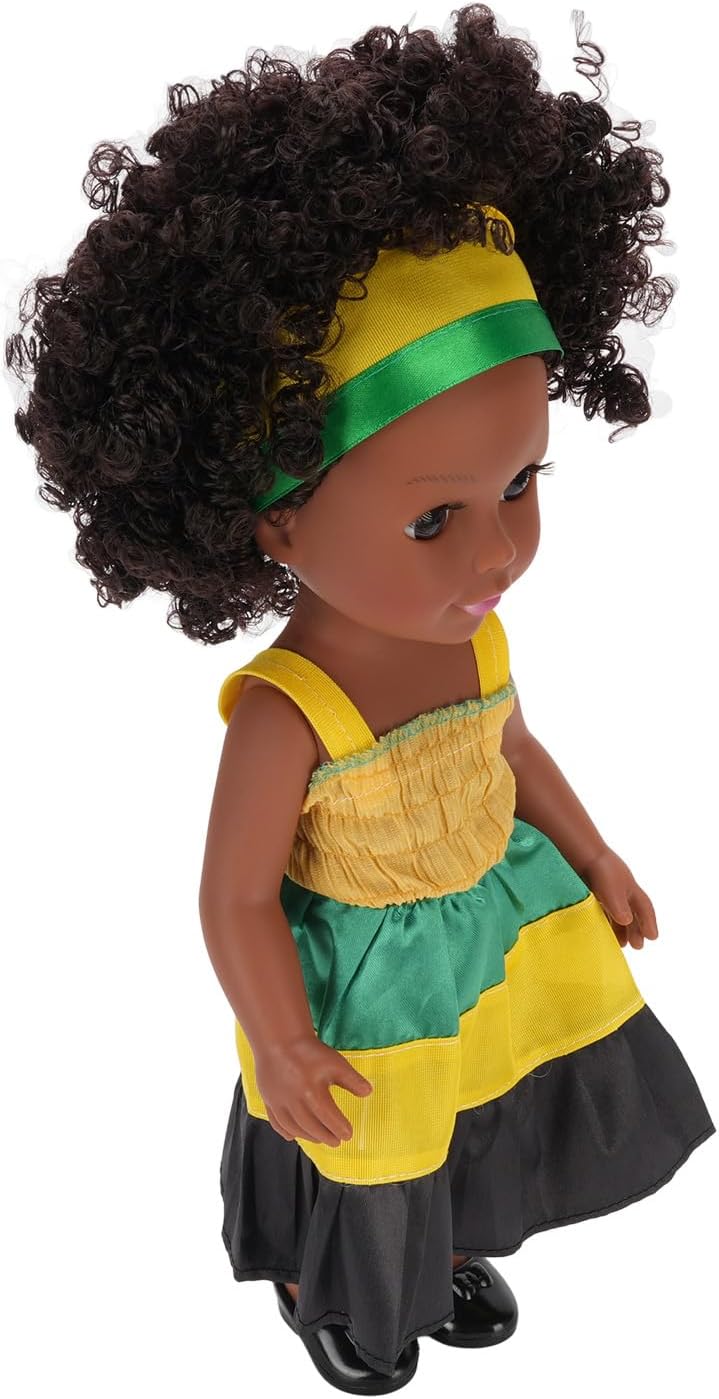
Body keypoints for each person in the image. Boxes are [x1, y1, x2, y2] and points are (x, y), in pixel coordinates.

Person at [5, 6, 714, 1395]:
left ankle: (435, 1251)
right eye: (432, 519)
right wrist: (280, 1036)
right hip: (365, 980)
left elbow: (511, 748)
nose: (495, 556)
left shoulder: (475, 643)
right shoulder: (289, 712)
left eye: (521, 486)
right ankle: (332, 1286)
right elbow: (234, 896)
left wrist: (594, 852)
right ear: (273, 521)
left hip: (492, 930)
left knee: (476, 1101)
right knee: (370, 1138)